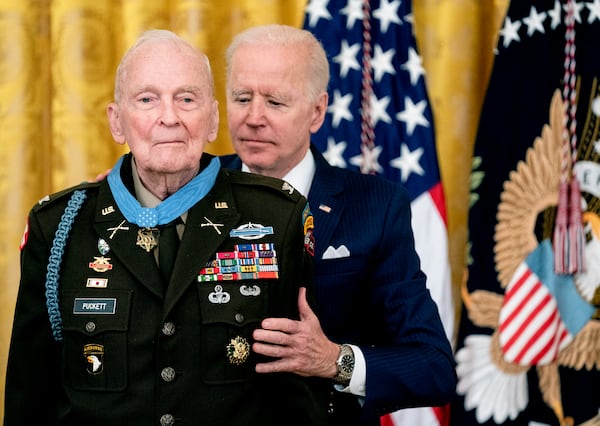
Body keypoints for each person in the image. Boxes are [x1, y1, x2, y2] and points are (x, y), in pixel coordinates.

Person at [4, 29, 328, 426]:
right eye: (147, 99)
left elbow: (298, 397)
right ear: (117, 122)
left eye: (186, 99)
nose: (169, 117)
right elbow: (30, 399)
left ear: (212, 120)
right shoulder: (58, 227)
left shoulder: (278, 218)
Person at [220, 24, 457, 425]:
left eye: (275, 102)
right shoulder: (189, 188)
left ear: (317, 111)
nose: (253, 117)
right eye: (242, 98)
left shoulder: (376, 207)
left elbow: (432, 366)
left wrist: (334, 360)